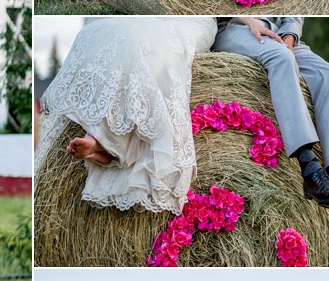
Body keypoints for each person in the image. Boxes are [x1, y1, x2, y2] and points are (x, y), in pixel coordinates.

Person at [37, 17, 217, 213]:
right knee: (104, 31)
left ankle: (105, 143)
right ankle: (104, 140)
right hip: (155, 17)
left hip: (195, 22)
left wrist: (249, 22)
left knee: (150, 43)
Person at [212, 16, 329, 210]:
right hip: (234, 28)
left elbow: (294, 13)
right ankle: (309, 168)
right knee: (281, 57)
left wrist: (290, 35)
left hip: (277, 34)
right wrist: (250, 21)